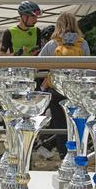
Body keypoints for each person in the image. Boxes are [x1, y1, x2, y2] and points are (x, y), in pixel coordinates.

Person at [38, 12, 91, 159]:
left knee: (61, 125)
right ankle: (79, 155)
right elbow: (89, 66)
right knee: (77, 124)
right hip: (77, 91)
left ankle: (64, 156)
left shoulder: (52, 44)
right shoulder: (83, 43)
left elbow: (37, 64)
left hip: (57, 90)